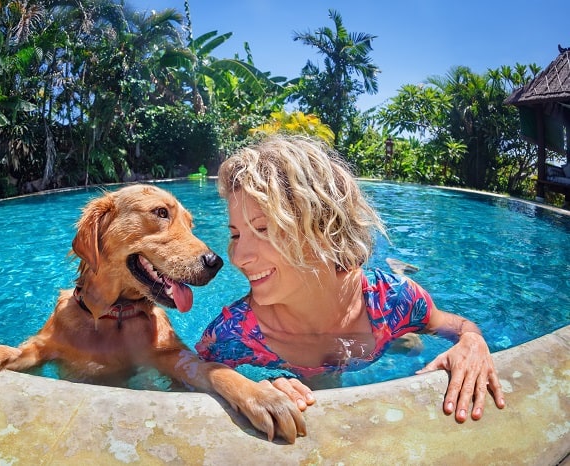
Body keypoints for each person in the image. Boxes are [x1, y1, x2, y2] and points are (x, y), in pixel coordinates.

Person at [195, 134, 505, 423]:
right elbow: (189, 379)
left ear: (325, 228)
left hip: (381, 331)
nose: (237, 257)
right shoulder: (231, 336)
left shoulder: (393, 300)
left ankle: (398, 326)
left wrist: (473, 342)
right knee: (319, 382)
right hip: (311, 360)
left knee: (415, 348)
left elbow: (459, 327)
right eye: (236, 235)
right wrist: (247, 387)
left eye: (263, 229)